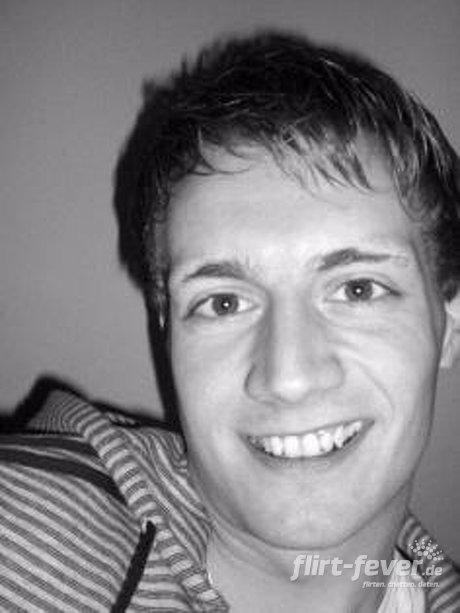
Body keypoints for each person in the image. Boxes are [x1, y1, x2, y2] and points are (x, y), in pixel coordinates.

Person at [1, 30, 459, 613]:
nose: (288, 377)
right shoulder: (25, 537)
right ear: (168, 332)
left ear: (449, 323)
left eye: (357, 289)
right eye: (223, 303)